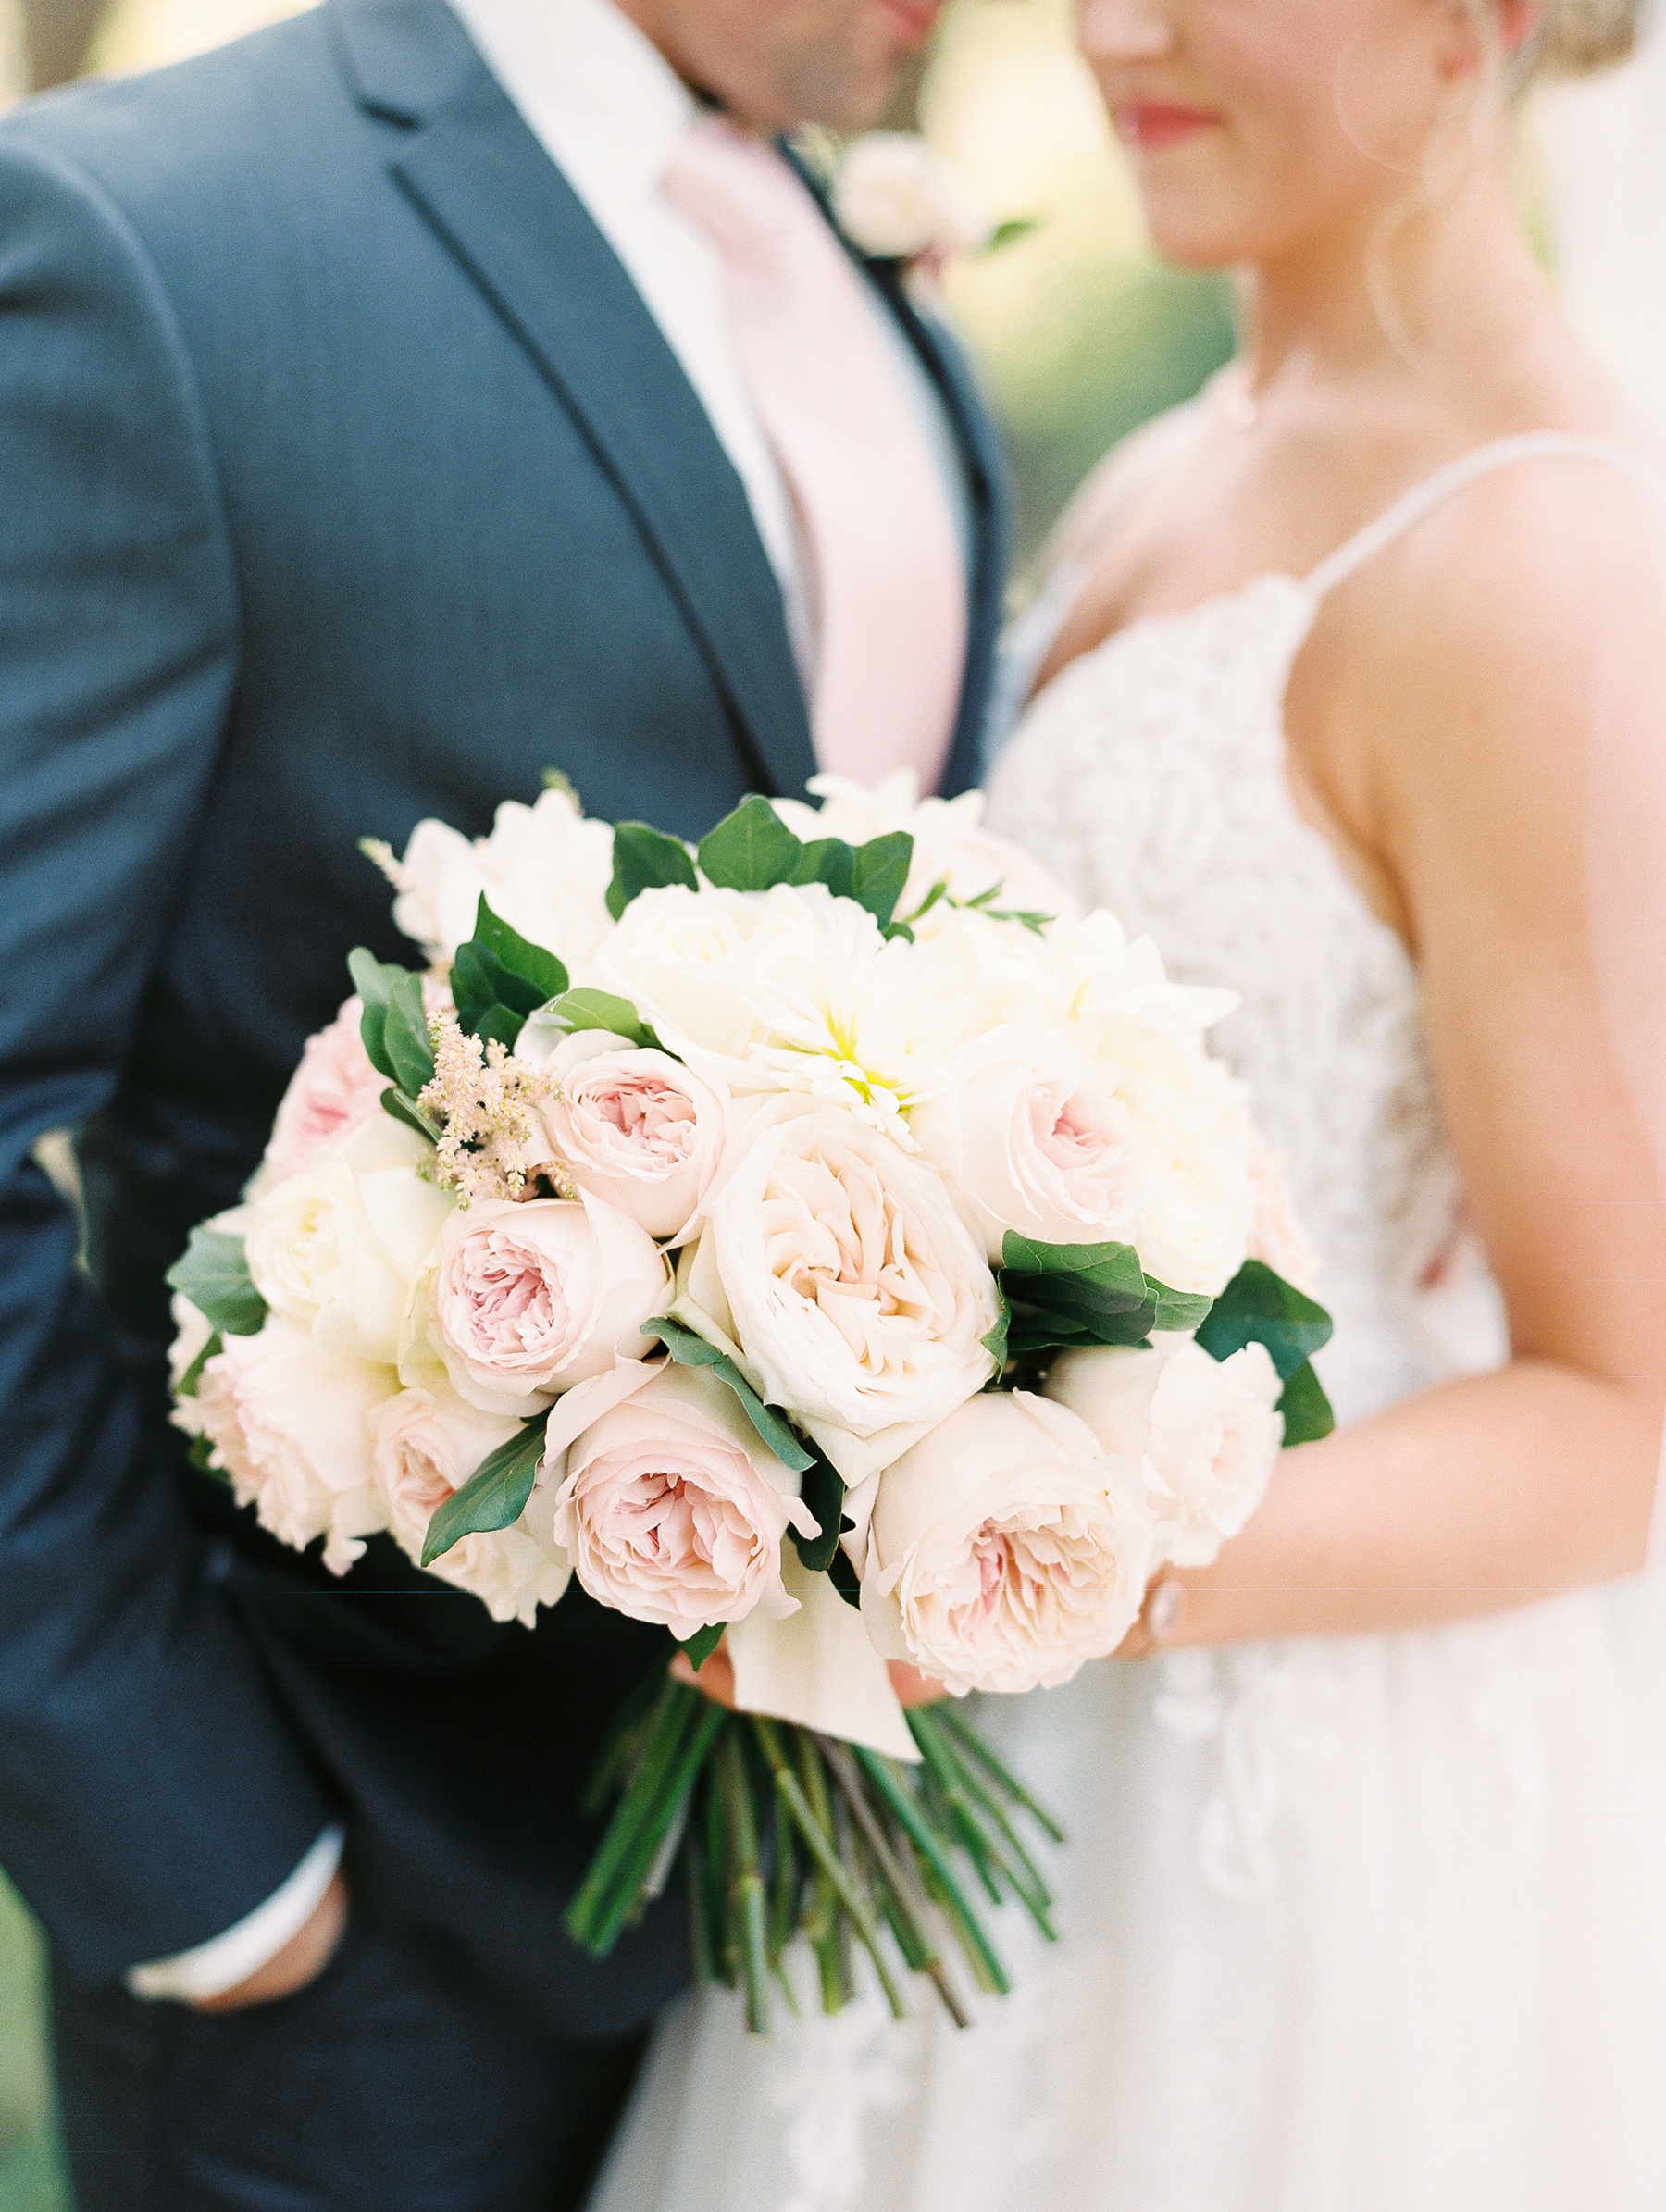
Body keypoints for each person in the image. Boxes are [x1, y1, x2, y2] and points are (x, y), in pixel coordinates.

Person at [589, 3, 1666, 2208]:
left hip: (1287, 1806)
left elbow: (1621, 1411)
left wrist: (995, 1563)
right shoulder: (1186, 453)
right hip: (988, 1739)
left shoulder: (1540, 559)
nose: (1114, 28)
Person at [0, 1, 1009, 2205]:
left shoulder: (868, 296)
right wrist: (200, 1863)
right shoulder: (153, 242)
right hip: (353, 1925)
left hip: (848, 1950)